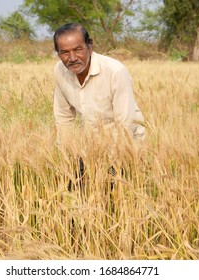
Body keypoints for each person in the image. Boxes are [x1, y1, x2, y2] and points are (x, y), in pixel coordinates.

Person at [52, 23, 145, 189]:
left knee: (112, 200)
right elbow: (64, 118)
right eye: (65, 52)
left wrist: (107, 165)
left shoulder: (115, 71)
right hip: (91, 147)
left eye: (78, 49)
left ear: (90, 46)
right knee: (73, 197)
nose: (72, 58)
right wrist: (68, 157)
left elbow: (126, 123)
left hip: (125, 146)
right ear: (58, 54)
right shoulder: (59, 71)